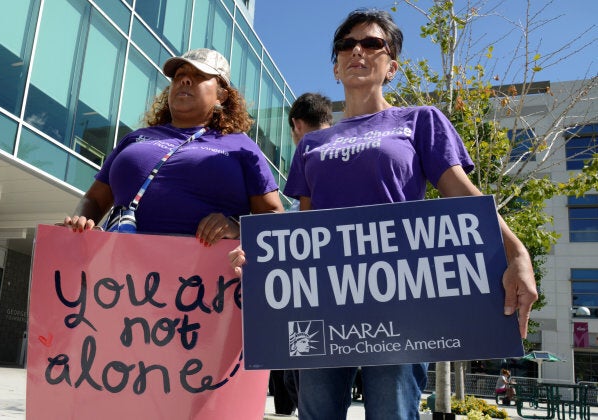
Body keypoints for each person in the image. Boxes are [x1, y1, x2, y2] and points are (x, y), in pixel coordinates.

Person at [230, 8, 538, 420]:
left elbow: (462, 197)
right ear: (336, 66)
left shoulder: (421, 121)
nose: (358, 50)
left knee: (392, 411)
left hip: (400, 300)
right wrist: (260, 260)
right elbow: (301, 230)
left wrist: (517, 253)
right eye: (346, 44)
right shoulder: (311, 145)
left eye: (372, 43)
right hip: (323, 303)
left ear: (392, 65)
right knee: (316, 413)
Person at [63, 47, 283, 244]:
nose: (185, 81)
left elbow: (275, 218)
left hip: (200, 281)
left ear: (222, 95)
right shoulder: (134, 138)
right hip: (119, 278)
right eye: (179, 76)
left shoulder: (241, 145)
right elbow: (94, 199)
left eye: (199, 76)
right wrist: (81, 222)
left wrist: (237, 228)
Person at [270, 92, 333, 415]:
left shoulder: (309, 154)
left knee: (312, 394)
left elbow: (299, 225)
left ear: (296, 125)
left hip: (310, 299)